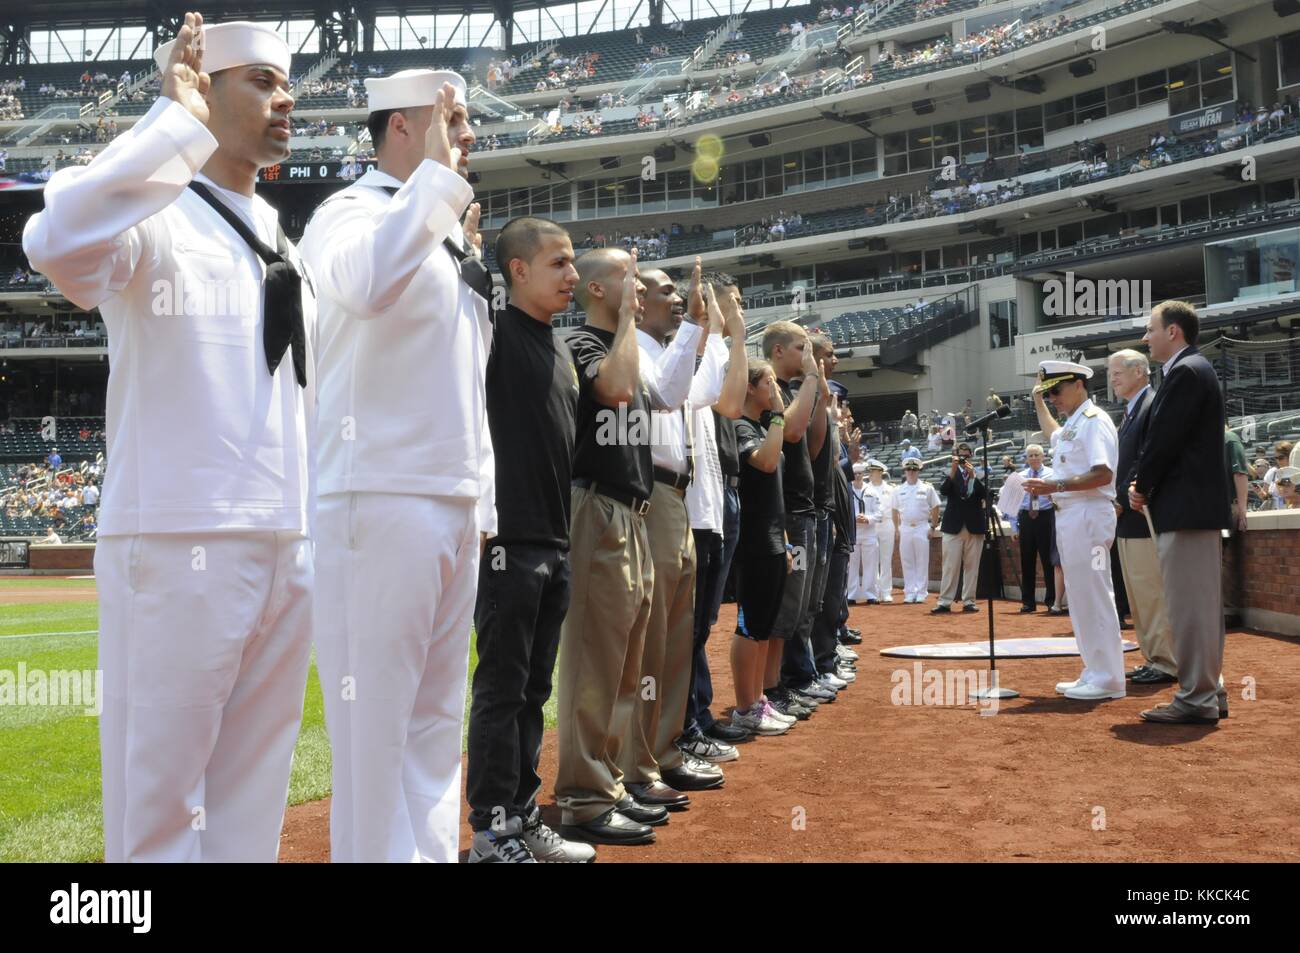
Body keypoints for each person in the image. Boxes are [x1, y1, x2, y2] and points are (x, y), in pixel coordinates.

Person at [24, 15, 317, 862]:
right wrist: (169, 128)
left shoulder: (278, 231)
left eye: (286, 82)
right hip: (178, 536)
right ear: (203, 90)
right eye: (260, 81)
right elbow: (52, 238)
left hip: (282, 539)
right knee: (158, 817)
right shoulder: (152, 213)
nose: (284, 98)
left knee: (248, 810)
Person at [301, 68, 492, 864]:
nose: (468, 136)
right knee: (375, 742)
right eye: (451, 119)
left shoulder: (440, 232)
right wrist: (440, 190)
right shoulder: (348, 212)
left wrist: (482, 504)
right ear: (402, 127)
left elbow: (467, 382)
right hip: (374, 497)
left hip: (450, 500)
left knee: (433, 735)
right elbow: (368, 282)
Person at [463, 217, 594, 863]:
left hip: (554, 542)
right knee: (503, 688)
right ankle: (489, 831)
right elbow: (462, 283)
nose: (574, 275)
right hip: (507, 541)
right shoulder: (491, 334)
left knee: (533, 690)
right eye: (559, 263)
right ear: (517, 270)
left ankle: (521, 815)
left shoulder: (564, 350)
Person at [553, 247, 661, 847]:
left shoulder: (624, 347)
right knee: (596, 660)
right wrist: (625, 324)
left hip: (631, 511)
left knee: (625, 663)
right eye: (629, 277)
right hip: (595, 507)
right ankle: (582, 797)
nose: (640, 288)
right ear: (596, 290)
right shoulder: (583, 345)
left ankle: (608, 783)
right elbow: (615, 391)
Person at [621, 262, 737, 804]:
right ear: (635, 298)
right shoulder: (633, 350)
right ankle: (637, 761)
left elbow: (706, 389)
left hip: (678, 495)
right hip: (652, 492)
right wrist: (700, 328)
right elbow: (667, 394)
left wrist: (704, 331)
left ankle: (663, 751)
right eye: (665, 291)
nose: (676, 299)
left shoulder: (666, 349)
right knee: (649, 642)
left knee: (672, 640)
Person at [1130, 301, 1232, 725]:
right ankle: (1211, 690)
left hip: (1186, 508)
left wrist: (1141, 484)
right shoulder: (1191, 369)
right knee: (1199, 607)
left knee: (1190, 608)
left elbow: (1164, 440)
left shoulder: (1185, 371)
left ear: (1173, 331)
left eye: (1151, 329)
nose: (1145, 337)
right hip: (1191, 508)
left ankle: (1196, 698)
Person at [1023, 361, 1124, 702]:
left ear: (1078, 384)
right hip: (1072, 515)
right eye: (1048, 392)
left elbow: (1102, 474)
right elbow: (1054, 433)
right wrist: (1037, 402)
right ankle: (1094, 670)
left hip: (1089, 514)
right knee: (1080, 599)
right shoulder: (1074, 425)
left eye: (1056, 390)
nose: (1053, 398)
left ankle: (1109, 678)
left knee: (1096, 594)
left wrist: (1055, 484)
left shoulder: (1094, 422)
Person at [679, 270, 749, 756]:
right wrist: (730, 337)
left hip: (714, 500)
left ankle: (697, 715)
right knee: (686, 627)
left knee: (701, 626)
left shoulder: (707, 358)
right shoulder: (686, 361)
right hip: (692, 505)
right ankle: (684, 726)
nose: (740, 310)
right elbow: (730, 402)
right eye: (735, 302)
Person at [762, 321, 836, 707]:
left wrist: (817, 387)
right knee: (785, 606)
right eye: (800, 348)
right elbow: (790, 433)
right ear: (778, 351)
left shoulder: (795, 388)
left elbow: (813, 444)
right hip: (787, 512)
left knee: (803, 604)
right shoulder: (767, 386)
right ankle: (779, 684)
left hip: (804, 510)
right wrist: (811, 377)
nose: (808, 356)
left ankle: (795, 676)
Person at [730, 360, 794, 736]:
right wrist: (780, 417)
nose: (775, 387)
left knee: (764, 627)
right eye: (768, 380)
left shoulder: (758, 425)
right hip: (752, 539)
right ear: (750, 388)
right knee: (750, 625)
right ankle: (744, 708)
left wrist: (784, 541)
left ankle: (757, 701)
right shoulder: (740, 426)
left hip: (771, 537)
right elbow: (767, 463)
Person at [1108, 349, 1177, 683]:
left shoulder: (1150, 406)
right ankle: (1152, 656)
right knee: (1137, 591)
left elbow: (1144, 460)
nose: (1112, 378)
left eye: (1117, 371)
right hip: (1126, 513)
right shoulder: (1131, 411)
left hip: (1139, 509)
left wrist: (1120, 497)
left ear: (1139, 371)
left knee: (1150, 589)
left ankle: (1165, 661)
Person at [932, 442, 986, 613]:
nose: (964, 459)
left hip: (974, 526)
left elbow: (985, 494)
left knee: (972, 566)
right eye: (960, 456)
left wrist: (973, 477)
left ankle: (969, 600)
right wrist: (954, 470)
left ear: (971, 456)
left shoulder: (980, 474)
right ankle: (944, 601)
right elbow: (944, 491)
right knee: (950, 566)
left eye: (966, 456)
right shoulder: (949, 473)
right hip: (953, 526)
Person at [1010, 444, 1056, 613]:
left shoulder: (1052, 474)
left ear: (1043, 456)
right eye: (1031, 455)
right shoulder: (1019, 477)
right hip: (1026, 519)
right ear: (1026, 458)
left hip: (1046, 517)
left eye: (1037, 454)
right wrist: (1014, 527)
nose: (1034, 458)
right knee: (1026, 561)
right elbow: (1014, 504)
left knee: (1048, 561)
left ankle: (1052, 600)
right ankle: (1028, 602)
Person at [892, 458, 940, 603]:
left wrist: (933, 526)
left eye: (914, 470)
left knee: (922, 560)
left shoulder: (927, 488)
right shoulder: (898, 490)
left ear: (918, 471)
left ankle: (921, 592)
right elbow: (894, 510)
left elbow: (936, 507)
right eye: (909, 470)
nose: (911, 472)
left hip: (921, 527)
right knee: (907, 561)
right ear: (905, 471)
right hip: (905, 527)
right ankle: (909, 591)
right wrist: (896, 528)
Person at [864, 460, 895, 602]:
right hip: (871, 526)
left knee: (886, 559)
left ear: (880, 473)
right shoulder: (865, 488)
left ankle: (886, 591)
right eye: (870, 471)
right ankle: (873, 591)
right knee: (872, 560)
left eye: (873, 471)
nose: (870, 474)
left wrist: (897, 527)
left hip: (887, 524)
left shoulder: (891, 489)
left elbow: (896, 510)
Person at [845, 462, 876, 603]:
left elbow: (880, 513)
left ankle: (870, 594)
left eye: (860, 473)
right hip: (853, 532)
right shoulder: (847, 490)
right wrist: (853, 518)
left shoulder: (872, 490)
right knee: (853, 564)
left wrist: (868, 519)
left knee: (870, 565)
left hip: (869, 532)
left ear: (864, 475)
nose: (858, 476)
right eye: (855, 473)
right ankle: (852, 594)